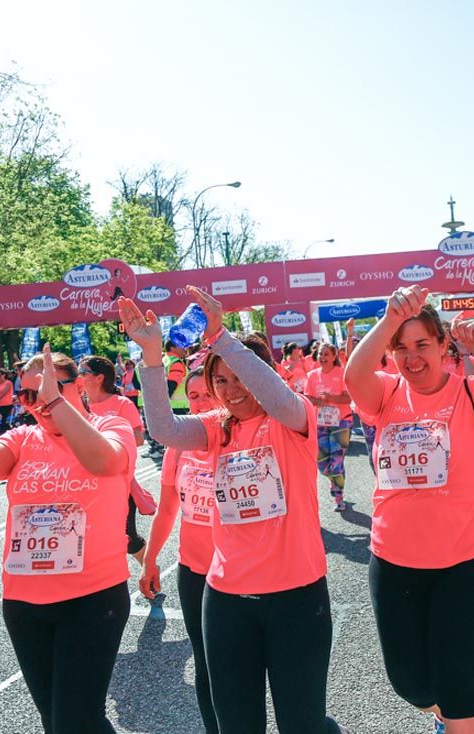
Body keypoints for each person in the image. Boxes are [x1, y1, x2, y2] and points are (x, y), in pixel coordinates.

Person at [122, 288, 347, 734]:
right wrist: (151, 359)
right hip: (225, 602)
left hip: (296, 600)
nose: (231, 389)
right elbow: (163, 428)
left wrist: (221, 337)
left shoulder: (292, 419)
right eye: (220, 381)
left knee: (302, 725)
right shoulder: (215, 429)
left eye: (239, 378)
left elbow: (278, 399)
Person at [345, 285, 474, 734]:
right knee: (410, 683)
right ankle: (444, 716)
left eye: (422, 346)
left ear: (443, 347)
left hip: (472, 562)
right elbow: (355, 378)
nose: (412, 358)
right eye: (401, 348)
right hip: (395, 562)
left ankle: (458, 718)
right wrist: (390, 319)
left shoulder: (473, 391)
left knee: (463, 687)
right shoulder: (386, 393)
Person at [0, 342, 137, 734]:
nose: (38, 402)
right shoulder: (22, 439)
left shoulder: (111, 426)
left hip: (92, 599)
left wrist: (55, 405)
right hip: (24, 602)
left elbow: (104, 461)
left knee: (77, 720)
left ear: (79, 387)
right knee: (56, 720)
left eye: (50, 389)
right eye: (28, 394)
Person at [140, 366, 221, 734]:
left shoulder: (237, 437)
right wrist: (151, 559)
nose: (201, 402)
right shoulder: (179, 444)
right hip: (194, 571)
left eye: (208, 393)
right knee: (205, 665)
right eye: (194, 396)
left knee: (246, 665)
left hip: (240, 574)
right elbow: (168, 507)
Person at [78, 355, 152, 565]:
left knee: (128, 539)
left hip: (118, 482)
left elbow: (138, 439)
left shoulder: (121, 404)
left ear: (99, 377)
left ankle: (148, 568)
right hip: (82, 482)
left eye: (83, 372)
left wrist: (106, 440)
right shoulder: (77, 404)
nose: (79, 376)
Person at [305, 343, 353, 511]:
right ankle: (334, 482)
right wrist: (318, 401)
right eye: (320, 354)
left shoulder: (342, 374)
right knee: (322, 463)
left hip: (341, 422)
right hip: (320, 424)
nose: (323, 358)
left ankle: (339, 498)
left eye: (326, 354)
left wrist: (331, 398)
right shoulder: (312, 376)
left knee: (337, 462)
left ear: (334, 357)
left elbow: (348, 399)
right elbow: (307, 398)